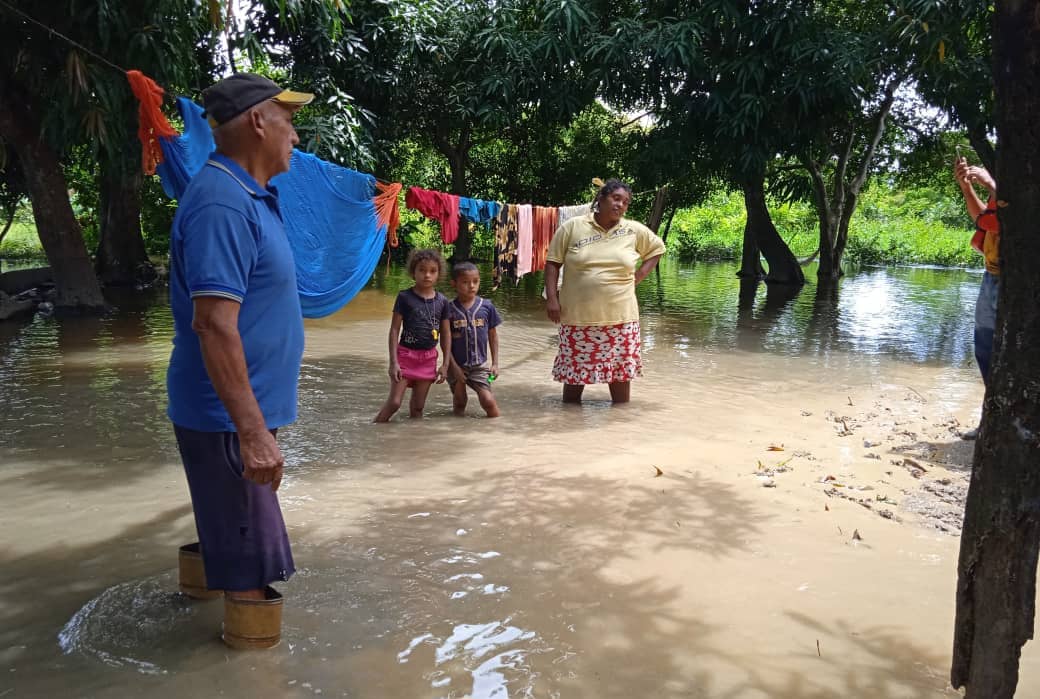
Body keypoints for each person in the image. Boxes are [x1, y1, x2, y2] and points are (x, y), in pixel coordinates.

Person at [166, 73, 314, 647]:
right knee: (254, 571)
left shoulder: (245, 195)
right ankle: (251, 672)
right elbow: (213, 324)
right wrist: (252, 432)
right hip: (228, 418)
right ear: (258, 121)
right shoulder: (224, 203)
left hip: (235, 414)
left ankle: (197, 607)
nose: (295, 136)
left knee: (226, 537)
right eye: (288, 119)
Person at [544, 179, 665, 404]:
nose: (620, 205)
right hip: (577, 317)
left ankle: (619, 428)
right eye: (616, 198)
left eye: (626, 202)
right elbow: (552, 263)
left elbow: (657, 249)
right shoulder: (572, 227)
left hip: (621, 318)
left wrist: (638, 277)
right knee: (574, 378)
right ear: (601, 199)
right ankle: (569, 421)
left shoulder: (633, 230)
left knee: (620, 376)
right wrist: (552, 298)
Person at [374, 249, 452, 422]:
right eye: (422, 270)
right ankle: (374, 430)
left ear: (439, 274)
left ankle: (414, 443)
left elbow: (446, 334)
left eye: (432, 271)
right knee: (394, 403)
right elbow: (394, 330)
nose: (427, 275)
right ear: (413, 272)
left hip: (428, 358)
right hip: (405, 356)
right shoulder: (405, 297)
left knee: (418, 408)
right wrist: (393, 362)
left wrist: (445, 364)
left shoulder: (442, 302)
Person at [954, 154, 1000, 440]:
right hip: (991, 276)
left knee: (1011, 352)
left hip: (1017, 280)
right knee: (984, 349)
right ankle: (991, 420)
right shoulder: (1003, 190)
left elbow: (1008, 222)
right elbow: (984, 220)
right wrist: (967, 187)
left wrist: (992, 185)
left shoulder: (1021, 186)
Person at [446, 262, 502, 417]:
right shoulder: (448, 309)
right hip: (456, 365)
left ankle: (495, 431)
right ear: (454, 284)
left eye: (475, 281)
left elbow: (493, 336)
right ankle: (457, 431)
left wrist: (495, 364)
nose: (471, 286)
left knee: (488, 402)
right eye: (465, 282)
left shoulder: (487, 306)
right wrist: (453, 368)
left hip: (480, 366)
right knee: (459, 402)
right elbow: (445, 343)